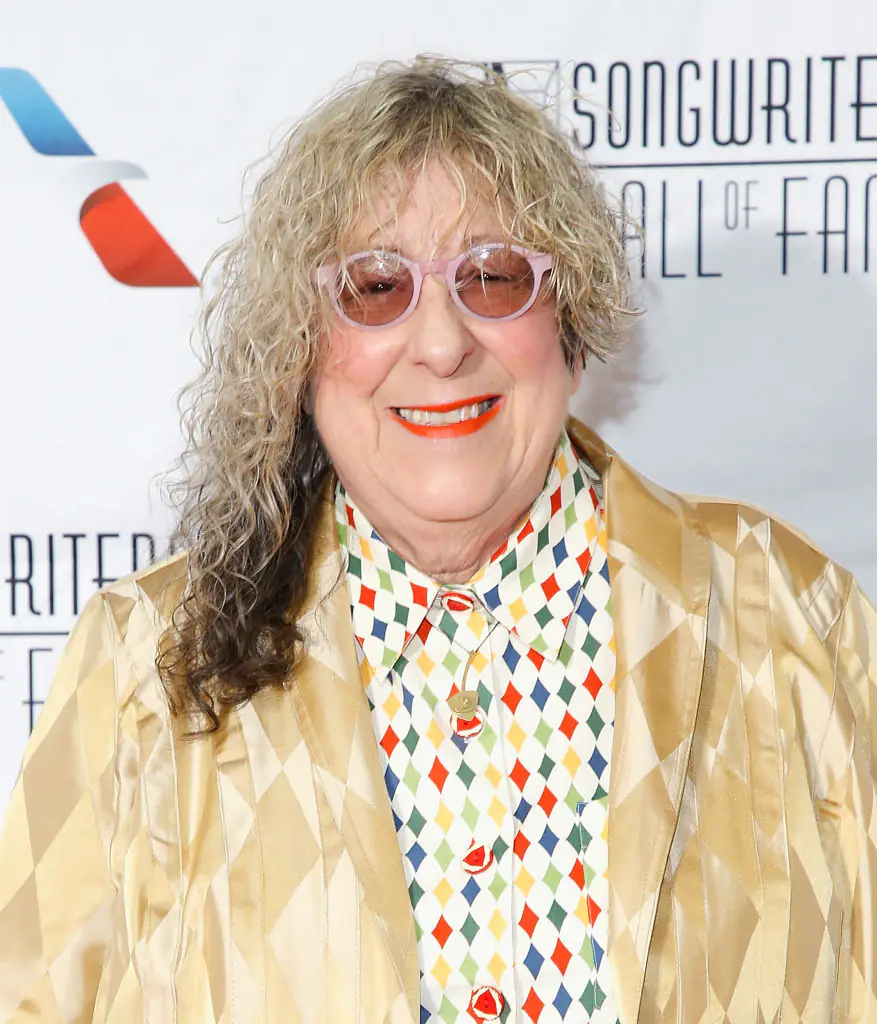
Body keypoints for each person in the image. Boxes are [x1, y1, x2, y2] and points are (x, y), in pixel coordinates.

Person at [0, 55, 875, 1024]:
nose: (442, 342)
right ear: (297, 345)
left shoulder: (786, 614)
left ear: (571, 316)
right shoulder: (144, 663)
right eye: (375, 287)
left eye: (493, 277)